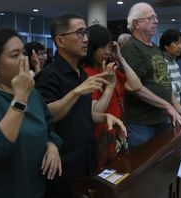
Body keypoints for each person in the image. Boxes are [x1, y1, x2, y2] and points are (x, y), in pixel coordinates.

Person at [0, 27, 62, 198]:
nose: (24, 60)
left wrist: (52, 145)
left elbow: (48, 128)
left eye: (23, 53)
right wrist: (20, 97)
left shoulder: (32, 93)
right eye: (14, 55)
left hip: (33, 186)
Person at [35, 13, 122, 197]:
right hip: (62, 162)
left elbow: (80, 114)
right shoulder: (49, 75)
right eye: (80, 33)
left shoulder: (81, 73)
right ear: (60, 41)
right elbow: (46, 115)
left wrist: (104, 116)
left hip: (86, 157)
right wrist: (76, 91)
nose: (86, 40)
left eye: (86, 34)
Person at [121, 2, 181, 150]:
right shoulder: (131, 48)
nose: (156, 21)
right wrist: (167, 105)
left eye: (156, 17)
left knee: (163, 162)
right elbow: (135, 88)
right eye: (150, 18)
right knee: (142, 166)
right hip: (142, 123)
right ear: (136, 23)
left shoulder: (154, 48)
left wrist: (177, 106)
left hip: (162, 117)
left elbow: (164, 82)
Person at [82, 24, 141, 171]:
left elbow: (135, 86)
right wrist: (109, 86)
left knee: (120, 172)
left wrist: (121, 59)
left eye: (109, 47)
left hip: (118, 132)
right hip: (102, 135)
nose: (108, 52)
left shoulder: (109, 68)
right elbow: (95, 112)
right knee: (104, 178)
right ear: (91, 48)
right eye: (103, 47)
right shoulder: (87, 73)